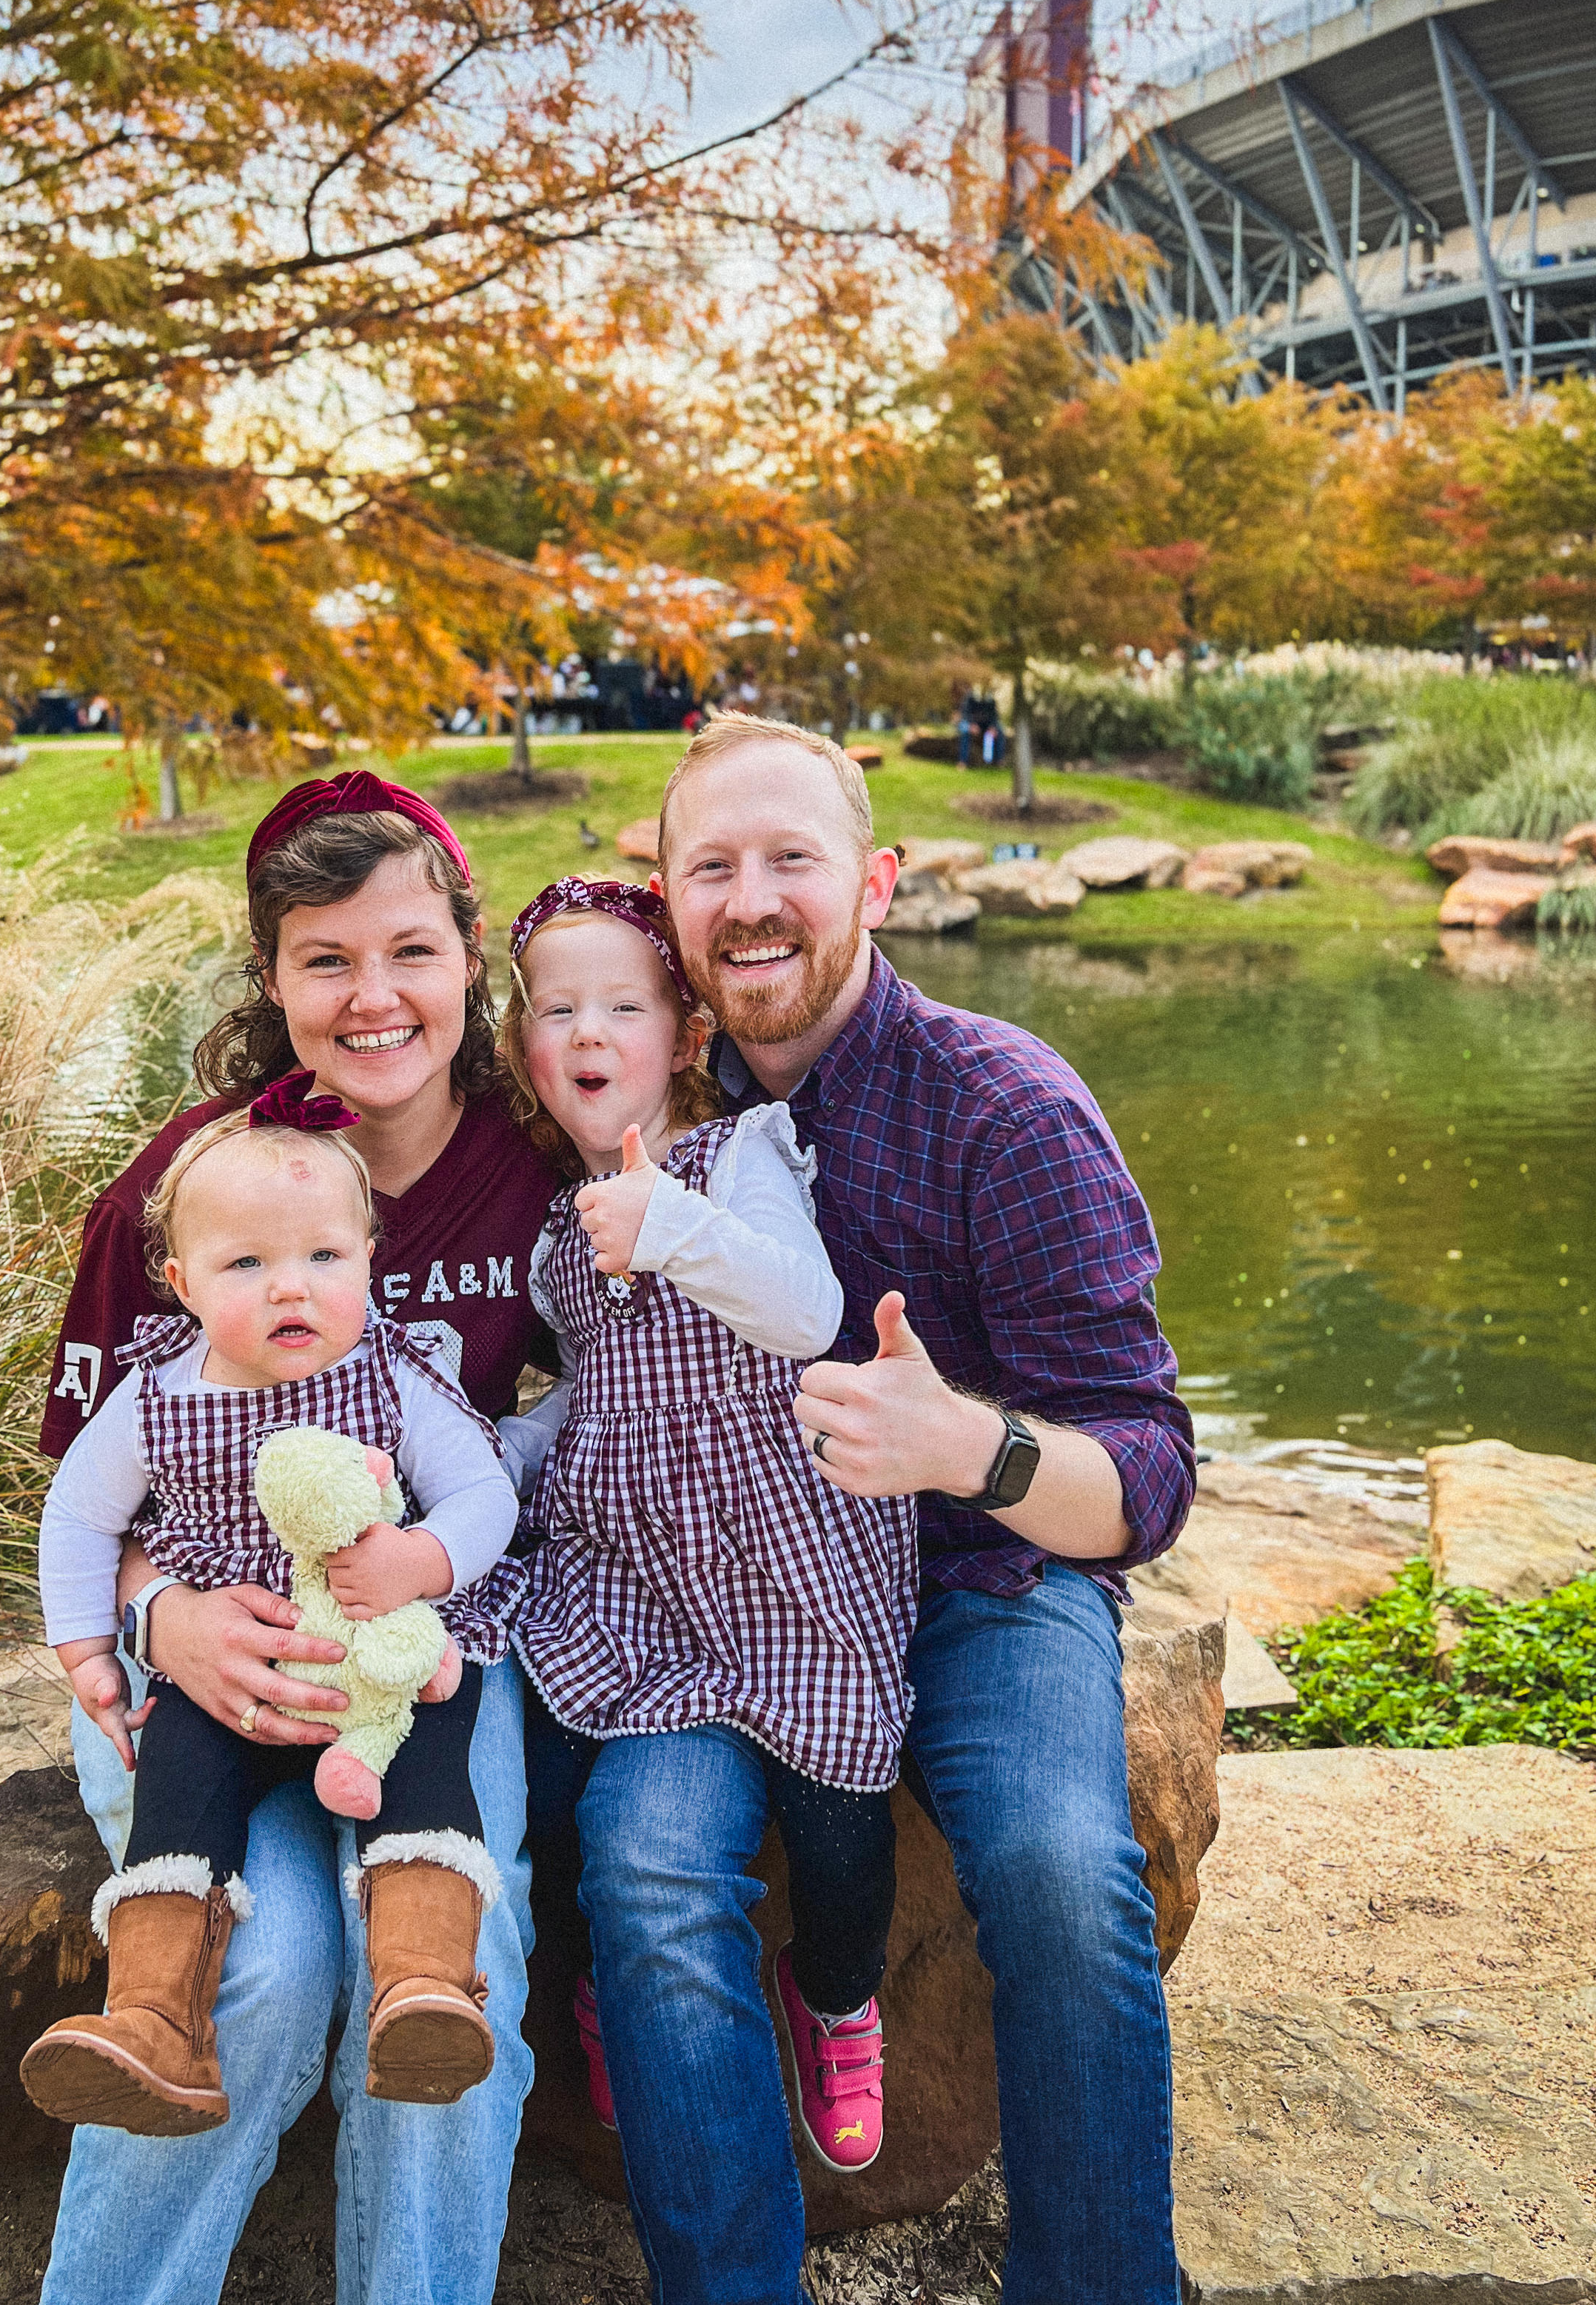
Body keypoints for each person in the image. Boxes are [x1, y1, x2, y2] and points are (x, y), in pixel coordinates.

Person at [572, 712, 1196, 2305]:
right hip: (733, 1610)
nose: (754, 898)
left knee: (1063, 1865)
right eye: (712, 865)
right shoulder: (632, 1100)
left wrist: (963, 1447)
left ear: (879, 882)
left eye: (793, 858)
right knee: (646, 1867)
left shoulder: (1003, 1101)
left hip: (981, 1583)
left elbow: (1147, 1471)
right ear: (666, 893)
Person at [36, 771, 560, 2305]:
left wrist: (459, 1541)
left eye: (411, 950)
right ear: (271, 982)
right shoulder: (189, 1189)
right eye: (325, 960)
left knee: (461, 1964)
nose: (374, 997)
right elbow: (83, 1487)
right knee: (255, 1973)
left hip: (418, 1645)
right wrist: (158, 1625)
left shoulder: (532, 1172)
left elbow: (602, 1407)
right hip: (198, 1654)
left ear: (473, 956)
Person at [494, 878, 919, 2181]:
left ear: (683, 1036)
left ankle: (837, 1995)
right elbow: (594, 1394)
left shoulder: (741, 1155)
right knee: (555, 1777)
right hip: (642, 1583)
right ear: (523, 1049)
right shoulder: (553, 1236)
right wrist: (484, 1470)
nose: (588, 1033)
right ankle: (613, 1988)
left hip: (795, 1565)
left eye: (623, 1005)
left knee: (844, 1816)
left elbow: (804, 1308)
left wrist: (673, 1225)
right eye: (556, 1010)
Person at [26, 1084, 523, 2135]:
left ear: (368, 1257)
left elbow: (486, 1491)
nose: (290, 1289)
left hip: (380, 1660)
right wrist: (88, 1650)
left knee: (434, 1749)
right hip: (233, 1676)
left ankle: (424, 1986)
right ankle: (154, 2019)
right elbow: (77, 1516)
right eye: (246, 1265)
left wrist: (423, 1558)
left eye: (324, 1259)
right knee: (179, 1780)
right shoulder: (159, 1398)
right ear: (181, 1283)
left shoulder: (391, 1375)